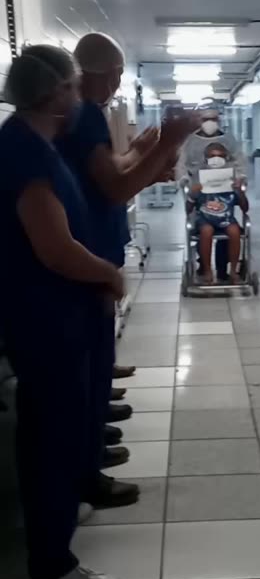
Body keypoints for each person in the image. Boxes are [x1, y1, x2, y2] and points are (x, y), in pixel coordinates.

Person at [0, 45, 123, 579]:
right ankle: (52, 566)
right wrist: (107, 274)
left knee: (53, 429)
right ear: (53, 94)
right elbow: (55, 248)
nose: (79, 98)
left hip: (54, 314)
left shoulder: (32, 144)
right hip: (46, 317)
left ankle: (56, 518)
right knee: (51, 434)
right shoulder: (25, 154)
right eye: (73, 87)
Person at [59, 32, 196, 508]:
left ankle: (91, 446)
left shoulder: (84, 118)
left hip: (93, 245)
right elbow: (114, 186)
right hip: (88, 251)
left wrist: (144, 151)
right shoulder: (81, 118)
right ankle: (86, 469)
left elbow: (111, 170)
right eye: (116, 73)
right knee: (87, 366)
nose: (118, 81)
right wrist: (168, 143)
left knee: (96, 360)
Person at [179, 100, 246, 281]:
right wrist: (186, 183)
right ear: (200, 120)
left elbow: (239, 161)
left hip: (225, 190)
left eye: (213, 119)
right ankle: (204, 266)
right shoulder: (191, 141)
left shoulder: (228, 140)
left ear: (219, 119)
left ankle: (224, 269)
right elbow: (181, 164)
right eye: (206, 119)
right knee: (203, 230)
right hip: (199, 190)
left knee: (227, 229)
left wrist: (239, 180)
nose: (210, 122)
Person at [187, 142, 248, 284]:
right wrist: (192, 194)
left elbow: (245, 208)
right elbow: (188, 209)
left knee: (234, 231)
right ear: (205, 158)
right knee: (206, 231)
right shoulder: (198, 179)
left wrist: (239, 191)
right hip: (205, 218)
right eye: (212, 156)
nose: (216, 159)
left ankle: (233, 271)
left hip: (226, 216)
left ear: (226, 158)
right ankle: (207, 270)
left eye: (220, 156)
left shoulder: (232, 179)